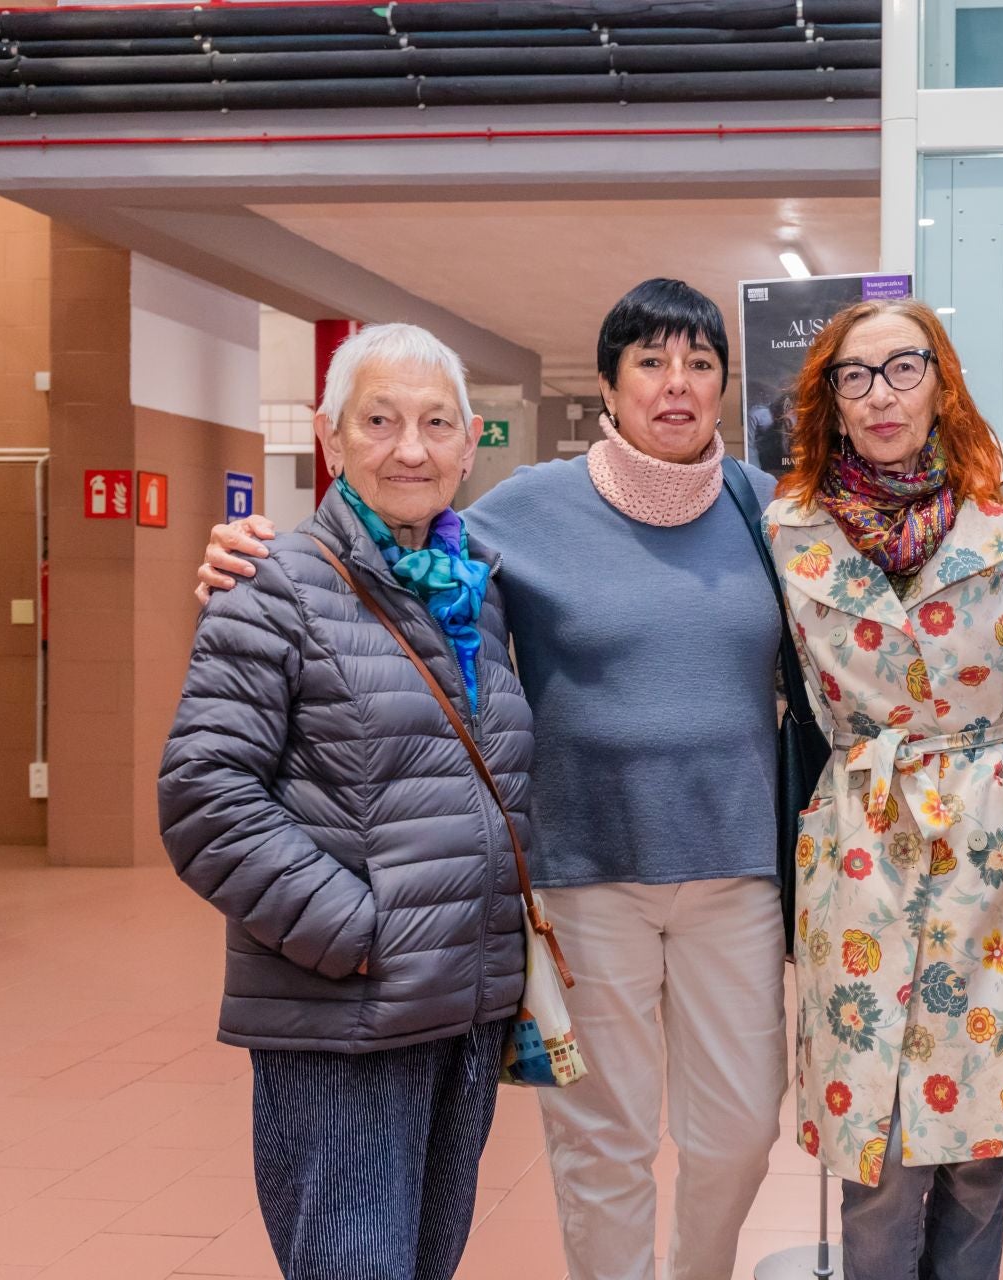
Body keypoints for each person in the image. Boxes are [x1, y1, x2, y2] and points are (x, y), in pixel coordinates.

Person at [197, 280, 786, 1280]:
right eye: (650, 361)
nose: (675, 384)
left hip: (737, 868)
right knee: (603, 1140)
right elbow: (390, 558)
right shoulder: (521, 511)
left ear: (726, 386)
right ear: (610, 383)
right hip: (582, 867)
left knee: (738, 1130)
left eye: (698, 363)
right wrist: (241, 554)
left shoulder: (769, 512)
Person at [161, 323, 530, 1280]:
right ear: (331, 439)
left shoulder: (476, 592)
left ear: (469, 438)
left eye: (436, 422)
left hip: (463, 1005)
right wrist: (361, 933)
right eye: (381, 420)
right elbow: (206, 798)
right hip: (347, 1014)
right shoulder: (270, 586)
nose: (411, 448)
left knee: (424, 1260)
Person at [765, 297, 1003, 1280]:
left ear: (941, 381)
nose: (881, 393)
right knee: (883, 1153)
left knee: (980, 1151)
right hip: (864, 841)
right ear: (831, 402)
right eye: (852, 377)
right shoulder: (788, 527)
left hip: (995, 844)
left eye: (903, 368)